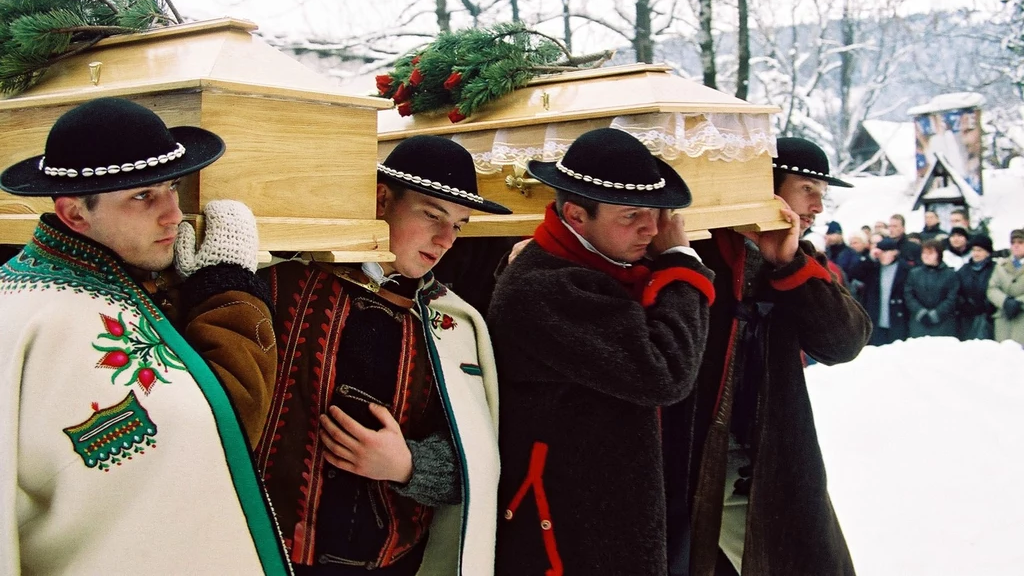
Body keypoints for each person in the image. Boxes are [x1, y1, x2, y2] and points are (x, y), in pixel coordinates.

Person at [0, 98, 289, 575]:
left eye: (173, 188)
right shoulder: (64, 323)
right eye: (143, 196)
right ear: (74, 214)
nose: (174, 215)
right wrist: (231, 287)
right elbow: (221, 433)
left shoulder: (78, 281)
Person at [255, 135, 509, 575]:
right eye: (432, 215)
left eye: (459, 225)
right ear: (381, 199)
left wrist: (408, 465)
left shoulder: (452, 323)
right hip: (264, 551)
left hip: (390, 563)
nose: (446, 238)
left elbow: (475, 465)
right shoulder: (279, 287)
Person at [487, 128, 714, 576]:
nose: (651, 229)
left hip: (600, 516)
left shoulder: (587, 268)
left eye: (654, 212)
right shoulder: (543, 287)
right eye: (631, 215)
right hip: (570, 532)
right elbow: (664, 372)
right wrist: (682, 266)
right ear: (575, 214)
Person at [665, 136, 871, 576]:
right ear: (768, 186)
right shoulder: (694, 247)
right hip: (693, 451)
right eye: (807, 189)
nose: (816, 206)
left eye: (821, 195)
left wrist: (789, 265)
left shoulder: (797, 256)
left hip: (768, 449)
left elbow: (844, 343)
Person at [851, 237, 910, 346]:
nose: (881, 255)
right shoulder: (873, 267)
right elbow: (855, 274)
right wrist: (870, 257)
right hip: (876, 319)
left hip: (897, 320)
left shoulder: (905, 269)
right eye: (880, 252)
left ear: (895, 252)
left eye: (885, 252)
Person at [904, 238, 960, 338]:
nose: (926, 256)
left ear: (939, 254)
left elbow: (952, 298)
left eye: (930, 253)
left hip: (943, 323)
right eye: (924, 253)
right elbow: (908, 295)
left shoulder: (950, 274)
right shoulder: (914, 273)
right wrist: (920, 312)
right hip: (919, 322)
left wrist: (936, 314)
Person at [987, 229, 1024, 344]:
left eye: (1020, 242)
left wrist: (1018, 302)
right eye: (1013, 243)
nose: (1016, 246)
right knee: (1003, 354)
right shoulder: (1001, 265)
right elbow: (992, 288)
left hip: (1022, 315)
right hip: (1004, 316)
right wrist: (1005, 301)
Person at [956, 234, 997, 340]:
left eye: (979, 250)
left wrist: (987, 306)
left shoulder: (995, 269)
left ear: (987, 252)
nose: (975, 253)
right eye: (973, 250)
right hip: (967, 318)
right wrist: (964, 304)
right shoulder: (964, 270)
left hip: (988, 318)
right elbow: (956, 290)